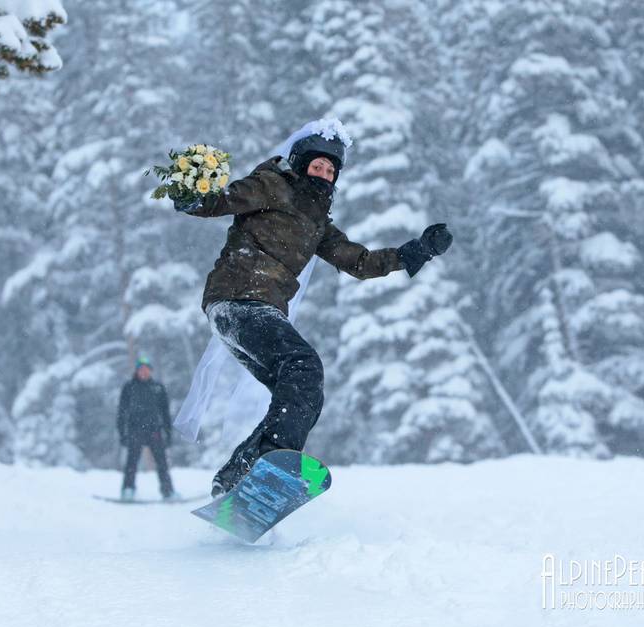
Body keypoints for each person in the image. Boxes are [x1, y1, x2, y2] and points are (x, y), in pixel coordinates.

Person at [174, 128, 453, 497]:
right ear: (301, 166)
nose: (323, 175)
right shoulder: (271, 185)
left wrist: (417, 251)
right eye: (317, 167)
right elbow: (219, 201)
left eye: (330, 171)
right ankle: (268, 463)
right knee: (304, 367)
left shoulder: (316, 221)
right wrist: (189, 191)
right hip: (238, 300)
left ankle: (235, 477)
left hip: (255, 310)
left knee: (304, 394)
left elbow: (360, 262)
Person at [116, 356, 177, 501]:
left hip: (154, 431)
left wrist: (168, 434)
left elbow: (165, 413)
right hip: (135, 431)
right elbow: (121, 412)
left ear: (150, 371)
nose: (143, 372)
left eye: (146, 369)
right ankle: (128, 490)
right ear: (137, 371)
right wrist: (122, 433)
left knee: (162, 463)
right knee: (131, 463)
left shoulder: (158, 388)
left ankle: (168, 491)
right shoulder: (129, 387)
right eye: (140, 369)